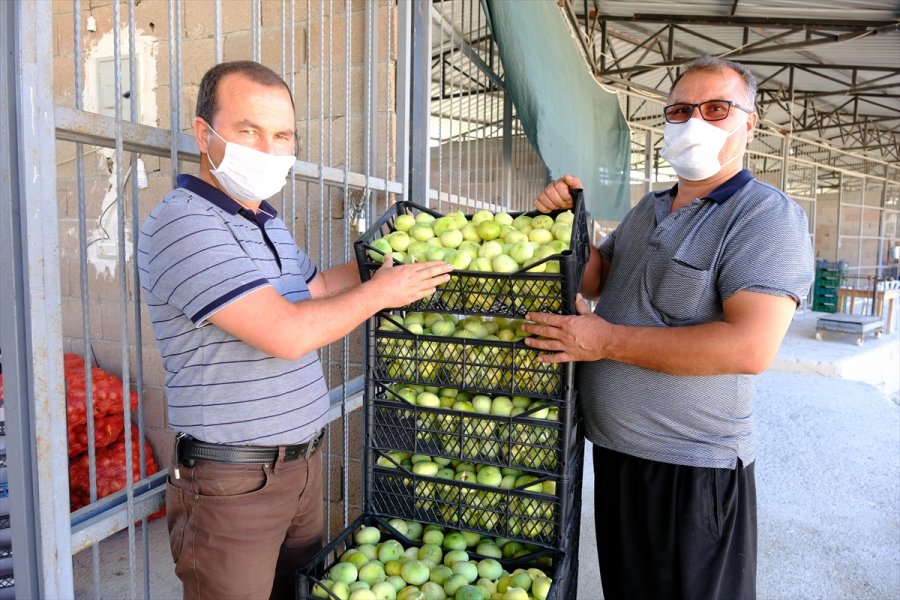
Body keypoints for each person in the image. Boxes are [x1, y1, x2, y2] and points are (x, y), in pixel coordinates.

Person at [137, 60, 452, 600]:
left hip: (300, 468)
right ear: (203, 133)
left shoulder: (264, 220)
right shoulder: (183, 223)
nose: (267, 148)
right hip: (232, 485)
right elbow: (286, 332)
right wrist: (382, 292)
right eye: (247, 131)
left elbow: (318, 290)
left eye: (282, 135)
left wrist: (395, 258)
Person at [524, 56, 814, 600]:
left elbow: (750, 346)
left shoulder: (763, 217)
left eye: (715, 109)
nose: (694, 122)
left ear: (748, 124)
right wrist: (565, 224)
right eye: (681, 110)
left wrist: (603, 340)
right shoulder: (651, 207)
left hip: (691, 470)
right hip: (617, 458)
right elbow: (597, 279)